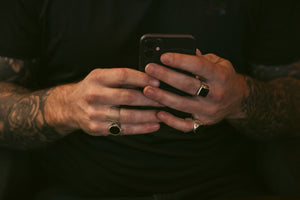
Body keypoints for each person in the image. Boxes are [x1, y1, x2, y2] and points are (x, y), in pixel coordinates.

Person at [0, 0, 299, 199]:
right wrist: (64, 107)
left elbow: (293, 106)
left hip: (223, 185)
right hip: (76, 188)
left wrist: (240, 99)